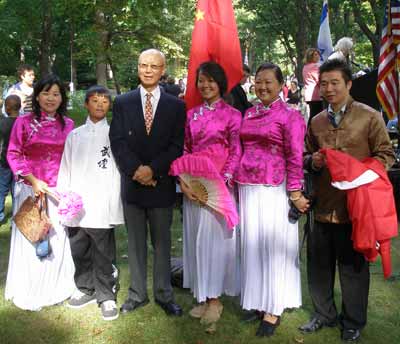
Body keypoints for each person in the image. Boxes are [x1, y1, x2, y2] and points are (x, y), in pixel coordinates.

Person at [300, 59, 395, 342]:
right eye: (324, 83)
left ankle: (353, 321)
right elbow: (303, 157)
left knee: (353, 267)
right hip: (322, 205)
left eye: (334, 83)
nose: (328, 89)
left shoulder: (369, 116)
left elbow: (386, 155)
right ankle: (323, 314)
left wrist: (359, 176)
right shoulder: (316, 120)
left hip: (355, 208)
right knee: (319, 266)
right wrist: (313, 162)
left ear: (348, 84)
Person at [109, 49, 185, 316]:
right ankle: (137, 294)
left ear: (163, 69)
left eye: (154, 66)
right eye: (143, 65)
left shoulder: (176, 105)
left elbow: (177, 145)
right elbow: (117, 141)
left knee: (162, 243)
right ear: (138, 67)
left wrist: (153, 170)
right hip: (133, 185)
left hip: (161, 184)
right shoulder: (122, 102)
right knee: (135, 244)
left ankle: (164, 294)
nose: (148, 70)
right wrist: (136, 170)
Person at [235, 62, 308, 337]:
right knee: (253, 245)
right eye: (258, 81)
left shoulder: (291, 116)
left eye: (268, 82)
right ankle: (256, 300)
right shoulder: (249, 112)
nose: (262, 86)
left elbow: (295, 156)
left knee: (273, 246)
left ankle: (273, 308)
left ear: (280, 85)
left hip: (275, 188)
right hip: (248, 187)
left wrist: (296, 192)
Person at [5, 74, 75, 311]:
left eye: (56, 94)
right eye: (46, 93)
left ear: (62, 98)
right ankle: (32, 287)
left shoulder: (68, 124)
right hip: (31, 189)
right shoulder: (23, 122)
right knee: (34, 238)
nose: (51, 98)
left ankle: (57, 286)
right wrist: (33, 181)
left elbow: (72, 157)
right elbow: (13, 154)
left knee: (57, 238)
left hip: (57, 191)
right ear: (37, 96)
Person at [180, 61, 241, 326]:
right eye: (201, 81)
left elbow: (236, 150)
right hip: (193, 186)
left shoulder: (232, 115)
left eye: (211, 81)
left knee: (215, 244)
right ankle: (203, 295)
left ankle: (215, 299)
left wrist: (224, 180)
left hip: (219, 188)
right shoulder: (190, 114)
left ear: (221, 84)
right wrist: (183, 181)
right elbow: (185, 148)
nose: (205, 85)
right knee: (196, 242)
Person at [57, 85, 124, 321]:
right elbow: (65, 167)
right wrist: (65, 196)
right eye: (95, 100)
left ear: (110, 106)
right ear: (86, 104)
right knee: (80, 248)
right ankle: (85, 287)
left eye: (105, 101)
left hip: (102, 201)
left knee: (103, 252)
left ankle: (106, 295)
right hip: (77, 202)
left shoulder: (115, 134)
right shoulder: (75, 135)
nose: (99, 105)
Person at [0, 95, 20, 223]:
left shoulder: (2, 123)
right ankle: (16, 219)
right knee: (16, 192)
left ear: (7, 108)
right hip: (19, 164)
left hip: (4, 162)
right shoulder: (24, 123)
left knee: (1, 189)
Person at [302, 48, 323, 120]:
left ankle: (309, 130)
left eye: (318, 54)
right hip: (316, 94)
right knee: (316, 117)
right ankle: (310, 130)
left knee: (313, 115)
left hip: (309, 95)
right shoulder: (315, 66)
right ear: (310, 56)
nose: (318, 56)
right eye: (315, 55)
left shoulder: (305, 67)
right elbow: (319, 80)